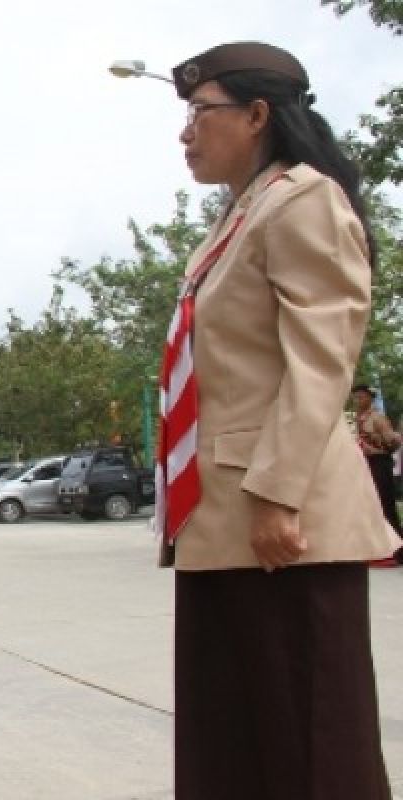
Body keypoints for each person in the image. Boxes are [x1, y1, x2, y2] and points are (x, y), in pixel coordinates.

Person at [156, 43, 399, 799]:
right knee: (234, 743)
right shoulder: (238, 215)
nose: (186, 132)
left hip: (280, 522)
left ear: (258, 115)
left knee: (309, 745)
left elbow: (322, 358)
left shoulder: (302, 200)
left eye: (201, 112)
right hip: (224, 520)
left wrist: (279, 493)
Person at [350, 384, 403, 559]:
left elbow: (393, 440)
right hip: (364, 464)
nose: (358, 400)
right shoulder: (357, 418)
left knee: (385, 504)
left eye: (362, 397)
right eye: (356, 397)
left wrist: (379, 450)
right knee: (369, 506)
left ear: (370, 398)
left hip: (379, 463)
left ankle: (398, 551)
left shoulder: (378, 418)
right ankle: (379, 550)